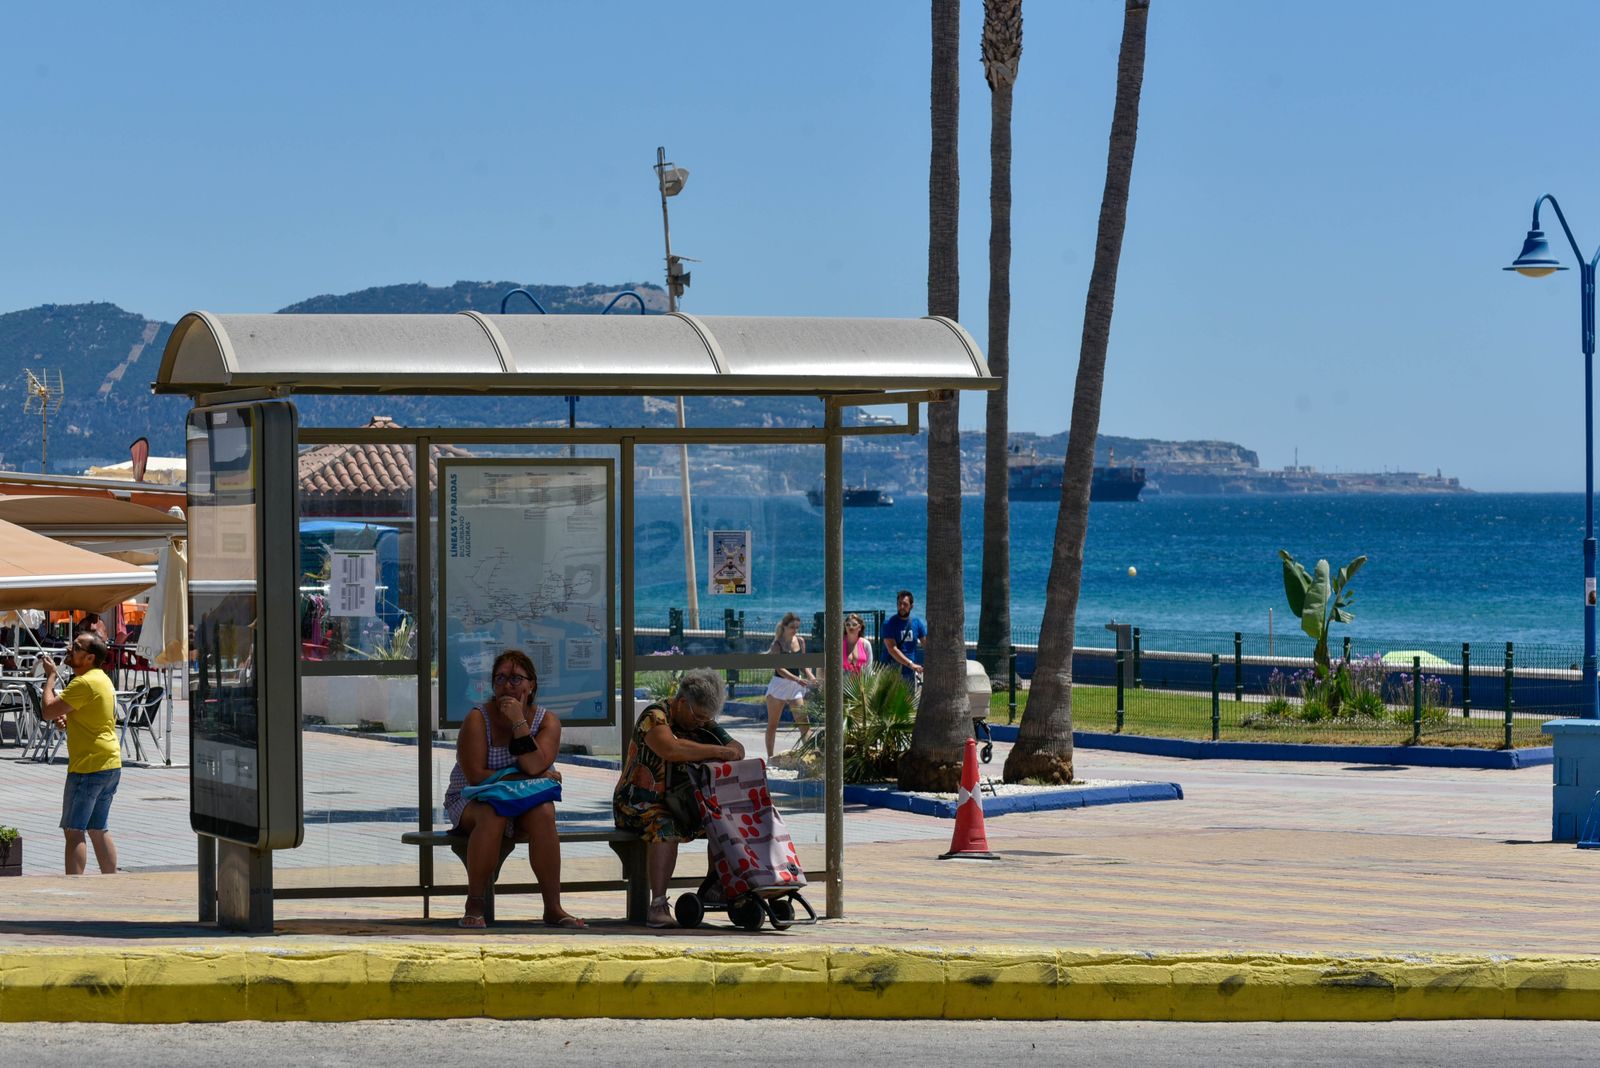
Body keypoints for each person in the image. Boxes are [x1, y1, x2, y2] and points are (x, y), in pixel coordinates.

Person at [441, 649, 583, 929]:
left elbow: (534, 765)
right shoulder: (477, 718)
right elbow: (476, 777)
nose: (507, 685)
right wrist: (522, 776)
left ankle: (553, 907)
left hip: (523, 799)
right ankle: (475, 902)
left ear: (532, 685)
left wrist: (519, 722)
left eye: (516, 679)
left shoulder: (547, 721)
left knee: (544, 812)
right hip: (473, 798)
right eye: (500, 678)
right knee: (492, 813)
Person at [613, 668, 745, 928]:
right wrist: (720, 752)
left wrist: (729, 750)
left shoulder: (701, 719)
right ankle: (658, 905)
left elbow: (736, 749)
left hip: (683, 803)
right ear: (683, 702)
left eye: (706, 719)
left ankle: (715, 885)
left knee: (723, 822)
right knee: (666, 827)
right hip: (639, 802)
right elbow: (670, 749)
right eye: (698, 717)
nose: (701, 724)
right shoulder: (655, 717)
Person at [40, 633, 121, 875]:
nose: (69, 648)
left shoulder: (83, 683)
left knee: (74, 830)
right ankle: (113, 882)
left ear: (89, 658)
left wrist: (51, 677)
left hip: (89, 765)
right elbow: (88, 713)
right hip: (110, 763)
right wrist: (68, 719)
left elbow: (48, 710)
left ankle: (74, 887)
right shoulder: (101, 679)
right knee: (98, 828)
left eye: (76, 647)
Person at [763, 612, 817, 758]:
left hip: (795, 687)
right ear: (784, 627)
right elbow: (779, 668)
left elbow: (803, 665)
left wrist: (811, 677)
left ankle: (810, 758)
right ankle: (770, 758)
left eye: (797, 627)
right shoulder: (777, 645)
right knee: (773, 725)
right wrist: (797, 679)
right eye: (792, 627)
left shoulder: (800, 641)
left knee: (804, 724)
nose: (795, 630)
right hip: (779, 686)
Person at [882, 590, 927, 688]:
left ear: (911, 606)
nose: (901, 607)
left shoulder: (917, 623)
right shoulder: (888, 623)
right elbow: (892, 649)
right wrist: (911, 664)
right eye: (899, 604)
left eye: (905, 604)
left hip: (909, 673)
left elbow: (926, 645)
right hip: (891, 672)